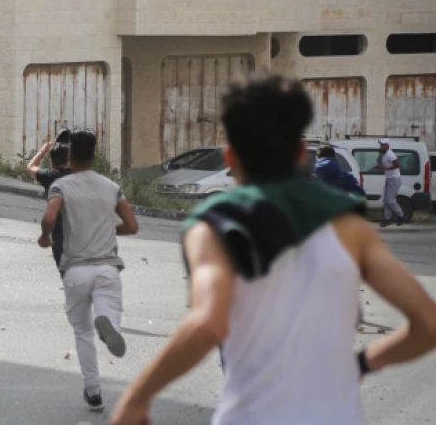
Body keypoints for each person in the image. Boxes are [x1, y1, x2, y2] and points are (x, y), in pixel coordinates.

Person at [110, 75, 436, 425]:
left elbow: (207, 325)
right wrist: (363, 362)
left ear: (230, 156)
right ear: (300, 153)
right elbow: (427, 325)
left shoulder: (214, 226)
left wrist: (137, 398)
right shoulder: (351, 227)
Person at [38, 130, 140, 412]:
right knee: (108, 308)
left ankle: (93, 392)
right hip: (107, 267)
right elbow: (132, 226)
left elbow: (49, 216)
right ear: (95, 156)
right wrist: (109, 228)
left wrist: (46, 236)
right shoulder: (111, 187)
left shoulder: (62, 185)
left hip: (76, 271)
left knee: (83, 333)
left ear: (70, 157)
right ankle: (110, 323)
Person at [27, 136, 72, 268]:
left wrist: (43, 151)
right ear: (69, 160)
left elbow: (31, 167)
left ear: (51, 162)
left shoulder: (49, 176)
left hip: (60, 234)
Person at [374, 138, 405, 227]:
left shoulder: (390, 154)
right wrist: (380, 166)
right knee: (386, 200)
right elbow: (385, 164)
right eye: (381, 145)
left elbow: (398, 164)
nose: (381, 146)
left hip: (394, 179)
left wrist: (387, 168)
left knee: (390, 200)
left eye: (383, 145)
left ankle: (400, 216)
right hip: (389, 178)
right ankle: (387, 219)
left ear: (387, 145)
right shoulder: (385, 154)